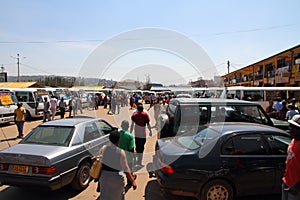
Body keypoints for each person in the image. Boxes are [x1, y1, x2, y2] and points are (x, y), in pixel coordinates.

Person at [99, 131, 137, 200]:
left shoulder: (104, 149)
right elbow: (126, 168)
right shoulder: (120, 152)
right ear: (118, 140)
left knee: (105, 197)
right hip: (116, 178)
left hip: (104, 177)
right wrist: (133, 181)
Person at [282, 114, 300, 200]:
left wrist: (297, 186)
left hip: (296, 187)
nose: (290, 129)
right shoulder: (293, 141)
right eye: (290, 126)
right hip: (287, 182)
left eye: (294, 127)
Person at [118, 120, 136, 186]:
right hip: (128, 157)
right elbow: (131, 148)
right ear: (128, 127)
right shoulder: (130, 136)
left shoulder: (118, 134)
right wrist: (134, 157)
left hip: (119, 155)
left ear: (121, 126)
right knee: (129, 169)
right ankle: (130, 182)